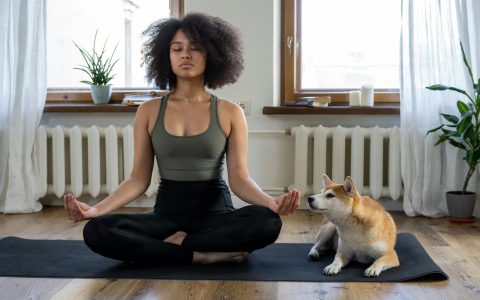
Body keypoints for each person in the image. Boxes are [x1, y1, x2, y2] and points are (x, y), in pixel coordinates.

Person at [63, 13, 301, 265]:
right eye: (177, 49)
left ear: (212, 55)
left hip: (216, 215)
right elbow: (138, 179)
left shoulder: (230, 111)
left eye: (195, 48)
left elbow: (239, 179)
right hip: (167, 217)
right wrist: (97, 209)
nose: (185, 55)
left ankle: (177, 247)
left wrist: (269, 202)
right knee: (97, 230)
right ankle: (200, 255)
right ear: (166, 57)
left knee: (267, 222)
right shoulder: (148, 111)